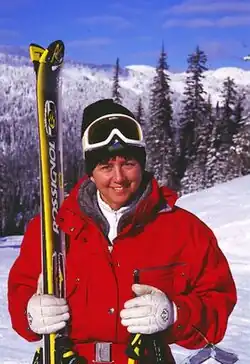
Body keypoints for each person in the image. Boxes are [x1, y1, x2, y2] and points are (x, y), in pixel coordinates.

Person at [8, 99, 237, 364]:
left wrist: (175, 313)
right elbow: (20, 299)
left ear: (142, 164)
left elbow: (217, 307)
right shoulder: (52, 230)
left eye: (128, 163)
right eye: (106, 166)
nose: (118, 177)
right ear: (91, 173)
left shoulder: (185, 231)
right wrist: (30, 313)